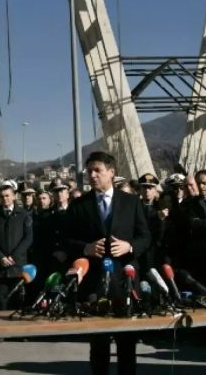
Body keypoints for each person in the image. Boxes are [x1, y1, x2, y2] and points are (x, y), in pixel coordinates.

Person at [66, 151, 150, 375]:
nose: (92, 175)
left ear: (111, 172)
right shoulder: (79, 205)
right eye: (89, 171)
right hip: (94, 281)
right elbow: (66, 240)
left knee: (127, 344)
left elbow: (145, 237)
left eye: (97, 170)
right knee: (99, 344)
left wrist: (129, 247)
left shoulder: (131, 202)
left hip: (125, 278)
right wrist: (86, 248)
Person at [0, 184, 33, 310]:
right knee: (2, 303)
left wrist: (14, 257)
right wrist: (1, 257)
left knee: (18, 303)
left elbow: (28, 238)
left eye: (7, 196)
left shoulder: (23, 215)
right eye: (2, 196)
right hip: (1, 268)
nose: (5, 199)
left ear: (14, 196)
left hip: (18, 268)